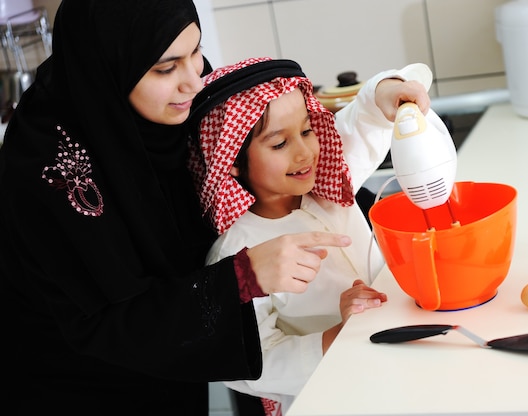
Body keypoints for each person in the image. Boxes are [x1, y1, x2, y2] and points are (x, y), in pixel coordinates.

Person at [0, 1, 353, 414]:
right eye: (166, 69)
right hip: (75, 385)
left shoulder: (173, 97)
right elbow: (106, 321)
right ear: (112, 66)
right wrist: (242, 277)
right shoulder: (51, 172)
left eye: (196, 52)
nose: (194, 81)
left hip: (172, 360)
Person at [191, 57, 433, 415]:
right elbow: (245, 363)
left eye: (306, 131)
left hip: (396, 360)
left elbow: (364, 117)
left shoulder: (327, 179)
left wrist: (389, 91)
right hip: (328, 397)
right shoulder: (235, 254)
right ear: (233, 161)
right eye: (279, 144)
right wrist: (339, 333)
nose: (305, 152)